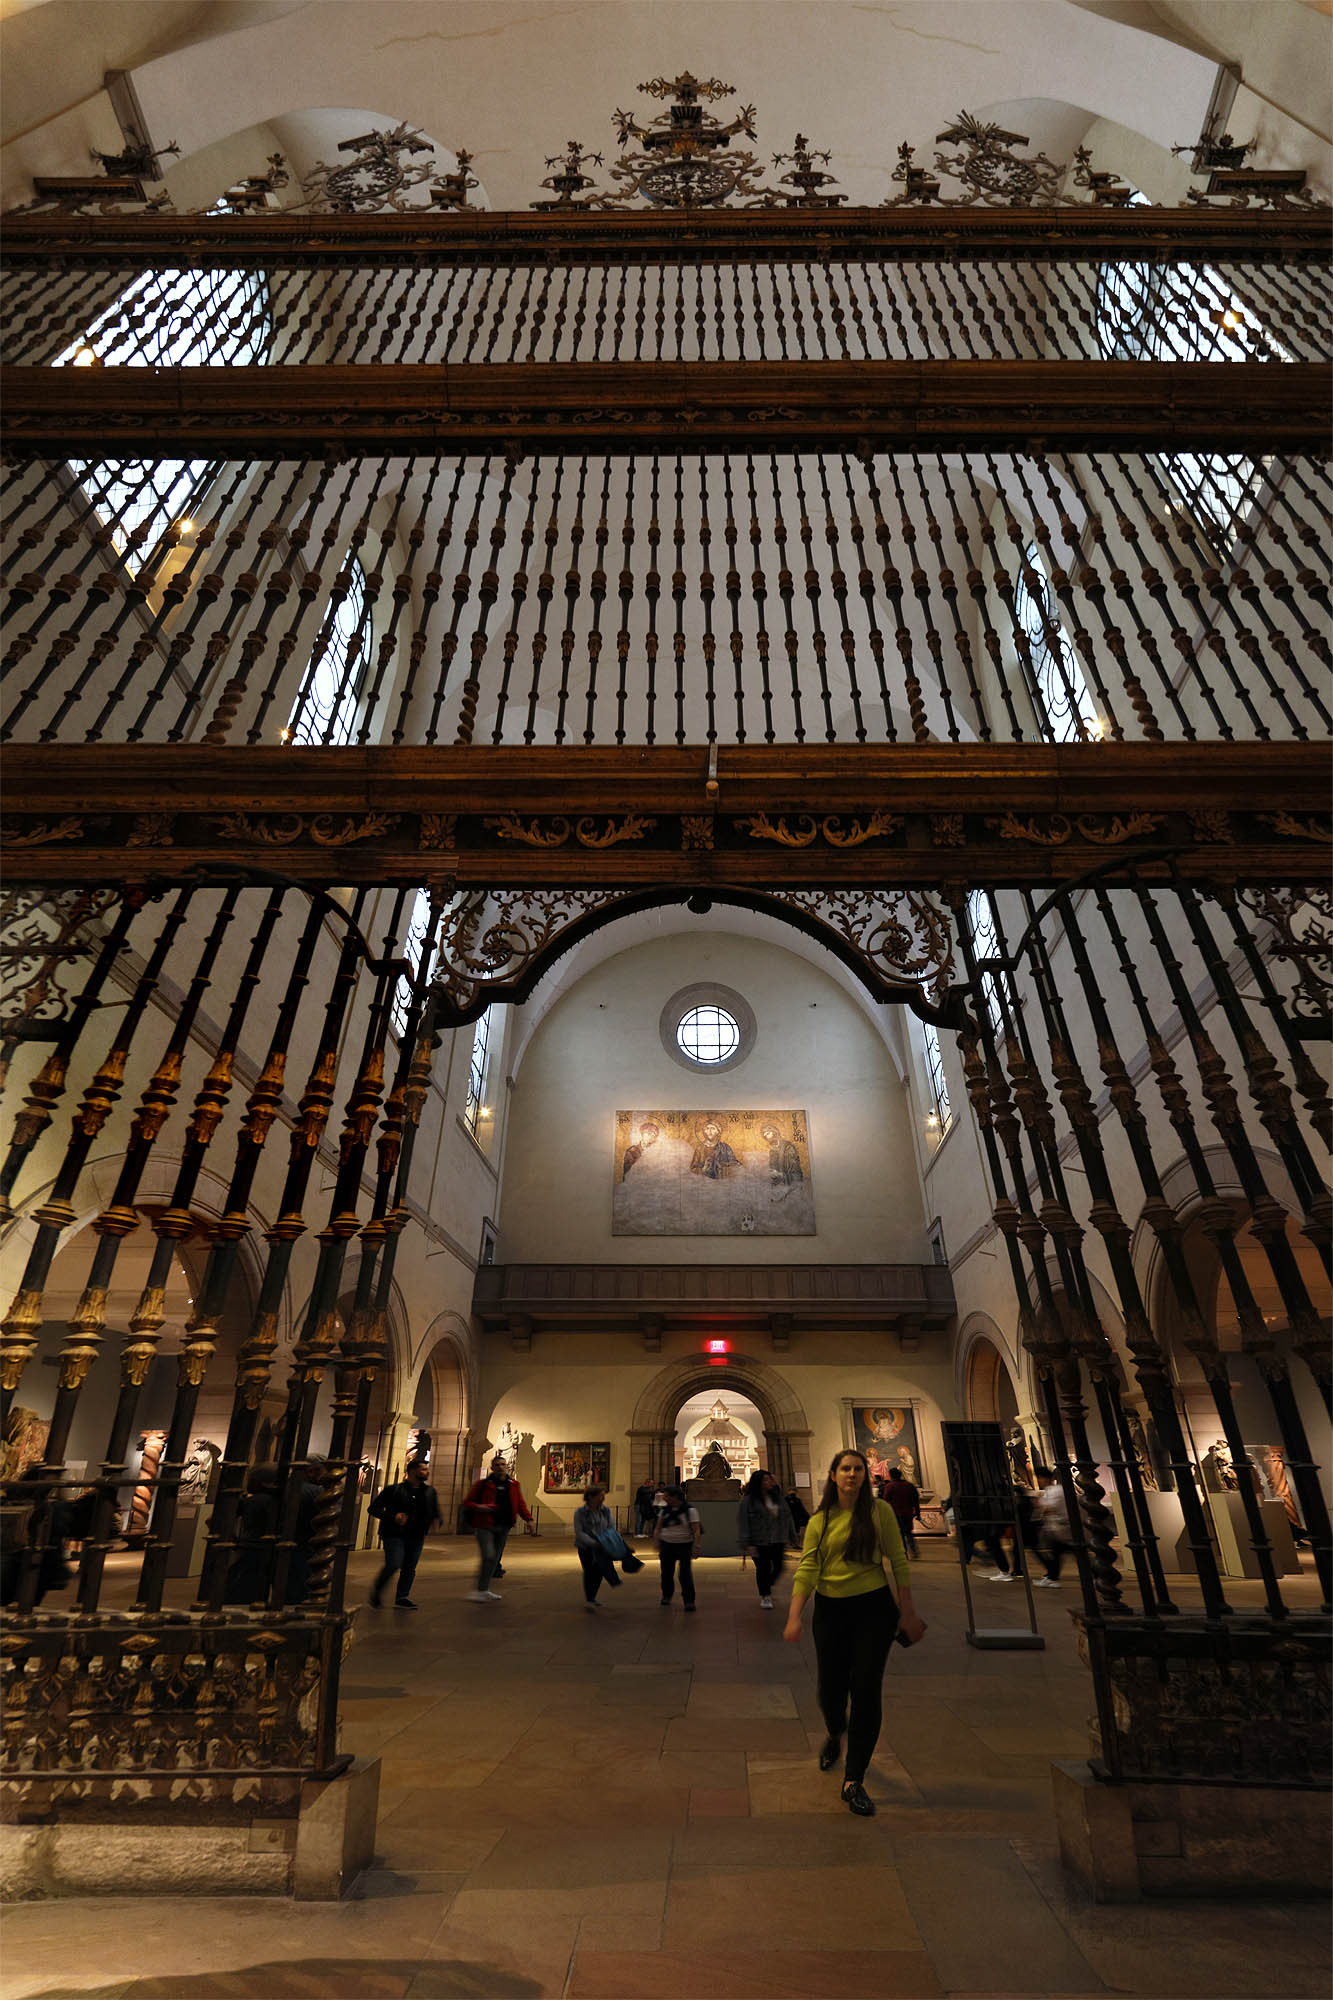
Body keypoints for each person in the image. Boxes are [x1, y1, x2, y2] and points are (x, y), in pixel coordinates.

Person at [784, 1448, 926, 1816]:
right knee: (831, 1690)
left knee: (866, 1688)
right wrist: (794, 1615)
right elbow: (808, 1569)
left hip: (874, 1610)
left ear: (867, 1474)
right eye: (845, 1468)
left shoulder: (880, 1513)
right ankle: (835, 1731)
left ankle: (854, 1779)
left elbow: (898, 1561)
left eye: (858, 1469)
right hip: (831, 1612)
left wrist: (907, 1612)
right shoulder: (821, 1520)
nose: (852, 1474)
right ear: (833, 1476)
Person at [368, 1457, 443, 1608]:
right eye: (423, 1469)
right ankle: (377, 1591)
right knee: (394, 1563)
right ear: (412, 1471)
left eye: (426, 1469)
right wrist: (393, 1517)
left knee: (409, 1567)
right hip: (394, 1534)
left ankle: (402, 1596)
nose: (426, 1472)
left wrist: (436, 1520)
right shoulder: (393, 1490)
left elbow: (435, 1510)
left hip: (417, 1535)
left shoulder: (429, 1491)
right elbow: (373, 1508)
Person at [461, 1454, 532, 1601]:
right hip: (485, 1525)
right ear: (492, 1468)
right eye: (497, 1465)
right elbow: (467, 1503)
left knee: (494, 1559)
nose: (500, 1467)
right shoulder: (482, 1484)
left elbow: (520, 1504)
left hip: (504, 1526)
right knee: (488, 1556)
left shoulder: (514, 1484)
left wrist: (528, 1519)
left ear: (506, 1466)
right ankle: (479, 1590)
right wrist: (480, 1507)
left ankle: (484, 1589)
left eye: (502, 1464)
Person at [737, 1467, 797, 1608]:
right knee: (763, 1568)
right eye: (766, 1479)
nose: (769, 1482)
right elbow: (743, 1522)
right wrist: (746, 1542)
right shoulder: (748, 1501)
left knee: (778, 1566)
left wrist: (792, 1536)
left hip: (777, 1538)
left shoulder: (778, 1499)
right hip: (759, 1540)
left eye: (770, 1479)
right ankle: (765, 1595)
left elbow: (787, 1517)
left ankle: (766, 1585)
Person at [572, 1483, 623, 1609]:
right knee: (589, 1571)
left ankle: (592, 1596)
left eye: (603, 1496)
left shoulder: (606, 1511)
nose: (603, 1498)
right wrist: (594, 1543)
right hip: (586, 1547)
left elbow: (611, 1527)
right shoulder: (580, 1512)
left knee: (599, 1572)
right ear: (590, 1497)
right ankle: (589, 1598)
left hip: (603, 1546)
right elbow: (579, 1532)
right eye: (600, 1496)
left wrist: (612, 1541)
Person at [653, 1484, 700, 1610]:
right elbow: (658, 1527)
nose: (664, 1498)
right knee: (667, 1573)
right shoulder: (664, 1510)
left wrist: (696, 1545)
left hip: (684, 1544)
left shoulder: (690, 1511)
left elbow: (696, 1530)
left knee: (685, 1574)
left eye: (667, 1496)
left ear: (675, 1497)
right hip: (667, 1544)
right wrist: (657, 1540)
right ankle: (667, 1595)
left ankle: (689, 1600)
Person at [1033, 1469, 1075, 1587]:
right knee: (1057, 1553)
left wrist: (1039, 1504)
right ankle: (1052, 1577)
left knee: (1061, 1552)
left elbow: (1050, 1508)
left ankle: (1053, 1578)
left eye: (1040, 1478)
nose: (1039, 1481)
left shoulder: (1056, 1491)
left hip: (1062, 1528)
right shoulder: (1050, 1491)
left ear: (1046, 1478)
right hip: (1057, 1528)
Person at [884, 1465, 923, 1557]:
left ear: (891, 1476)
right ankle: (913, 1551)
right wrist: (918, 1513)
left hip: (895, 1513)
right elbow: (915, 1500)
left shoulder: (890, 1486)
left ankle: (903, 1552)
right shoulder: (909, 1485)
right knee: (909, 1532)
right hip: (908, 1513)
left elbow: (885, 1499)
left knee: (899, 1533)